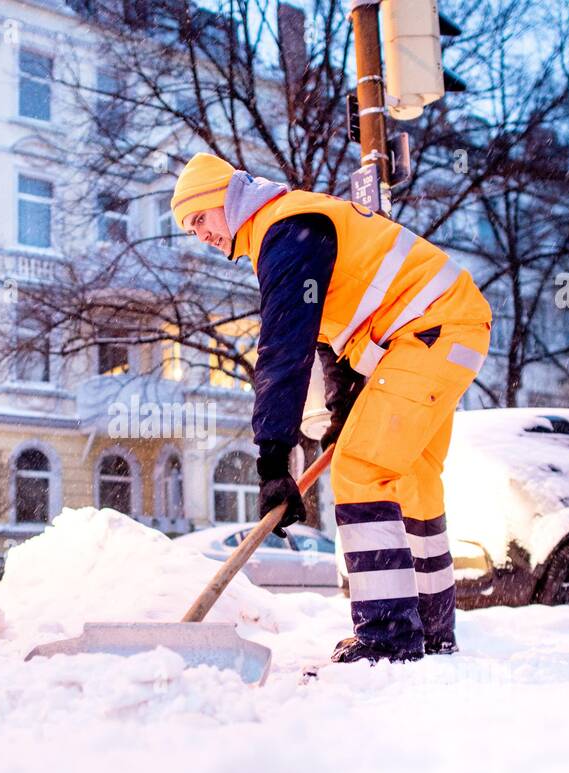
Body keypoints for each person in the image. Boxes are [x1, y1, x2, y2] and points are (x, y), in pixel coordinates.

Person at [170, 153, 492, 663]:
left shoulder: (287, 229)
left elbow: (284, 346)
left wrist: (273, 457)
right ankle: (433, 629)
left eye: (200, 220)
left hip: (425, 331)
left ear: (222, 200)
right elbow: (331, 335)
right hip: (445, 329)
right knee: (411, 479)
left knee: (361, 471)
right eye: (191, 230)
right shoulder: (294, 223)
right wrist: (344, 409)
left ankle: (387, 637)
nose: (200, 235)